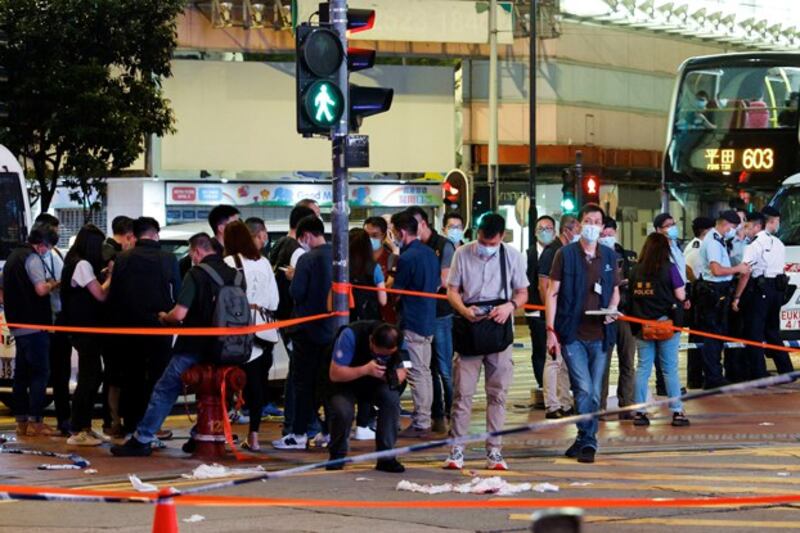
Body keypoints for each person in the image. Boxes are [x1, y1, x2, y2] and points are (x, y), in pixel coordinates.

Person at [111, 233, 239, 457]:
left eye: (192, 254)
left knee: (165, 389)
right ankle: (199, 434)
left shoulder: (196, 274)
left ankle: (142, 438)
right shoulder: (236, 276)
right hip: (228, 347)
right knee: (213, 392)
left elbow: (179, 313)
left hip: (195, 345)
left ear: (197, 251)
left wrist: (164, 317)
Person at [444, 213, 528, 471]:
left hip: (499, 329)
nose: (486, 246)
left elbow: (523, 292)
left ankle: (495, 452)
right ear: (477, 233)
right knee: (462, 394)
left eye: (492, 243)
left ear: (502, 237)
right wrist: (463, 310)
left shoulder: (512, 256)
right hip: (470, 328)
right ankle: (456, 450)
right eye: (483, 240)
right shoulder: (462, 254)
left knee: (498, 394)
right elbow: (452, 290)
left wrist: (509, 307)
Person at [545, 203, 621, 464]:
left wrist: (612, 309)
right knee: (584, 388)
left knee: (593, 391)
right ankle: (589, 440)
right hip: (572, 332)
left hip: (601, 333)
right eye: (587, 220)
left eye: (597, 221)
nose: (592, 225)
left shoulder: (609, 256)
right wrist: (551, 331)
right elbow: (552, 293)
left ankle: (581, 438)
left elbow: (615, 290)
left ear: (602, 227)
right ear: (578, 225)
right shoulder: (565, 255)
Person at [107, 217, 181, 435]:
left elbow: (116, 295)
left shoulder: (122, 258)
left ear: (135, 235)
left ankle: (131, 423)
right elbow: (176, 293)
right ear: (155, 233)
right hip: (159, 326)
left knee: (132, 377)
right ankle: (152, 426)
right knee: (157, 377)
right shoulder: (168, 259)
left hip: (129, 328)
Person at [272, 215, 334, 450]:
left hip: (307, 332)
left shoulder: (307, 260)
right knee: (328, 384)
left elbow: (297, 293)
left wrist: (292, 277)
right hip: (332, 331)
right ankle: (328, 432)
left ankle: (298, 434)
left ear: (306, 235)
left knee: (303, 384)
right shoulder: (338, 258)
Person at [223, 221, 279, 451]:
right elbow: (275, 300)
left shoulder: (228, 262)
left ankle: (222, 432)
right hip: (265, 331)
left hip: (238, 331)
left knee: (225, 382)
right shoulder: (264, 262)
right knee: (258, 387)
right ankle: (254, 437)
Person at [327, 321, 410, 473]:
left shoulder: (401, 340)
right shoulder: (350, 335)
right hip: (347, 380)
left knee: (391, 400)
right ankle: (337, 455)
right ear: (371, 340)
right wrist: (365, 370)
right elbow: (335, 374)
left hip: (377, 381)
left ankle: (386, 457)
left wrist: (394, 375)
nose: (380, 357)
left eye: (386, 355)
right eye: (377, 353)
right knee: (342, 410)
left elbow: (405, 369)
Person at [3, 224, 61, 437]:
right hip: (34, 324)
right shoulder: (32, 258)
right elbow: (39, 289)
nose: (47, 251)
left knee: (21, 375)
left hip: (17, 324)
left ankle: (21, 422)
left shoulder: (12, 257)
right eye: (47, 247)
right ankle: (36, 421)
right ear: (42, 244)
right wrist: (52, 284)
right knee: (40, 373)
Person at [629, 232, 690, 427]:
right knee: (669, 369)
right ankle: (677, 412)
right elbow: (680, 295)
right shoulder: (670, 269)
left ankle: (639, 412)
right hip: (667, 326)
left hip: (642, 326)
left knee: (642, 368)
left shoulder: (635, 271)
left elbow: (629, 296)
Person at [60, 225, 113, 446]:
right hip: (84, 329)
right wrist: (112, 276)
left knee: (93, 375)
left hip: (84, 328)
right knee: (89, 377)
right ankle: (78, 429)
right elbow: (100, 295)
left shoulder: (75, 262)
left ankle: (85, 427)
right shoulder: (81, 264)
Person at [390, 210, 439, 439]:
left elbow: (396, 292)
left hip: (412, 321)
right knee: (425, 372)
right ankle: (424, 418)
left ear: (401, 232)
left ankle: (421, 422)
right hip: (428, 319)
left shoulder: (407, 258)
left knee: (417, 373)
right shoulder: (430, 253)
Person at [407, 206, 456, 435]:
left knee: (444, 367)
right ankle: (435, 415)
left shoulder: (443, 245)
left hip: (440, 313)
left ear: (424, 223)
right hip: (419, 315)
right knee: (427, 369)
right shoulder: (411, 247)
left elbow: (445, 280)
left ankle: (453, 413)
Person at [267, 204, 314, 437]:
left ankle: (295, 424)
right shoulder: (298, 252)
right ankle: (298, 426)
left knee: (296, 373)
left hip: (283, 319)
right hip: (296, 321)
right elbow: (300, 289)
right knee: (300, 374)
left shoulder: (279, 246)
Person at [733, 207, 793, 378]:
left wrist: (737, 297)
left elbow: (745, 273)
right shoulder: (778, 243)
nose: (746, 230)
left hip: (760, 290)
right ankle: (786, 369)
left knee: (754, 332)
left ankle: (758, 373)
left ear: (757, 226)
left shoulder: (754, 245)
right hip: (777, 290)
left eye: (748, 227)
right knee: (773, 332)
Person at [694, 210, 750, 389]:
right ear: (725, 224)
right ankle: (713, 377)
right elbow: (717, 270)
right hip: (713, 292)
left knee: (717, 334)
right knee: (713, 336)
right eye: (732, 227)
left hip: (718, 291)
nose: (733, 231)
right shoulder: (712, 243)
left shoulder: (717, 240)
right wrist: (737, 269)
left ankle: (715, 374)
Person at [27, 217, 71, 435]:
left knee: (49, 372)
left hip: (51, 321)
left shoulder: (51, 255)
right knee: (51, 372)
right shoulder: (39, 258)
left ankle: (43, 419)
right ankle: (48, 420)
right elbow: (43, 289)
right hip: (52, 322)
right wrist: (54, 284)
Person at [538, 215, 579, 419]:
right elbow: (544, 286)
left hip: (567, 314)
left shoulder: (568, 252)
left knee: (563, 361)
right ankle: (552, 404)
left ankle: (564, 401)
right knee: (553, 359)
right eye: (577, 229)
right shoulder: (552, 252)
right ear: (567, 231)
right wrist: (550, 318)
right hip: (555, 315)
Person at [100, 215, 135, 436]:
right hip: (114, 323)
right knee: (114, 376)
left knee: (113, 374)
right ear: (128, 235)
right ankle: (112, 421)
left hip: (109, 323)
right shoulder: (112, 254)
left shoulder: (105, 251)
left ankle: (113, 421)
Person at [599, 217, 636, 420]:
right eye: (603, 234)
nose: (606, 237)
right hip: (604, 315)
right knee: (602, 364)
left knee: (628, 361)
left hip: (626, 314)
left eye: (609, 233)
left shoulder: (627, 256)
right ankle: (600, 408)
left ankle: (626, 405)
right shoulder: (594, 256)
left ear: (616, 231)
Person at [525, 215, 556, 409]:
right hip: (535, 310)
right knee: (539, 349)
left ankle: (553, 387)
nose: (545, 231)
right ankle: (542, 385)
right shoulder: (528, 254)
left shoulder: (557, 252)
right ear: (536, 232)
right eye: (541, 228)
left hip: (553, 310)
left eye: (549, 228)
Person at [683, 216, 715, 389]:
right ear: (706, 231)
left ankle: (696, 376)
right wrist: (696, 283)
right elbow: (687, 268)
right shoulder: (697, 247)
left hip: (696, 292)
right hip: (696, 294)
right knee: (698, 336)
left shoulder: (698, 245)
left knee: (698, 336)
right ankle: (695, 377)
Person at [179, 205, 240, 278]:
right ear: (221, 228)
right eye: (235, 224)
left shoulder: (237, 250)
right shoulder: (206, 250)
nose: (240, 228)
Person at [364, 216, 398, 323]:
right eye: (366, 236)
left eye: (374, 235)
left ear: (384, 236)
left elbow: (390, 286)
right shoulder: (359, 259)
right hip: (365, 315)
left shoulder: (391, 258)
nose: (370, 239)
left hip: (387, 315)